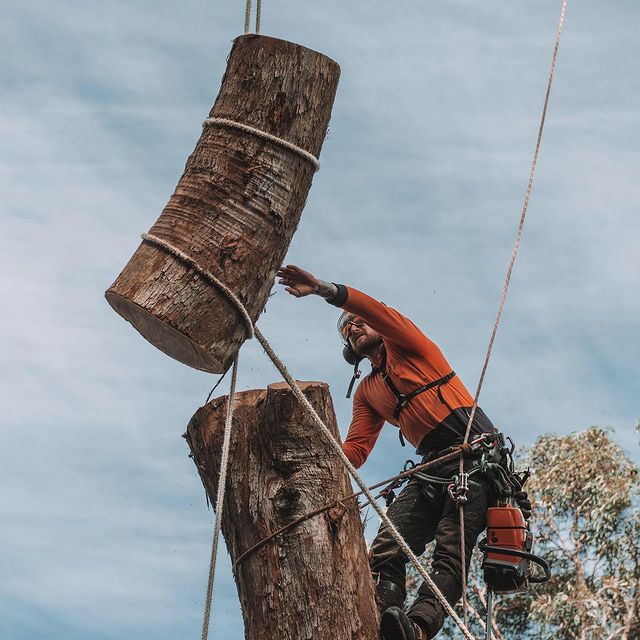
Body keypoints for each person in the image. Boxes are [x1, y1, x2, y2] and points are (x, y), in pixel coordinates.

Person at [277, 264, 509, 640]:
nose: (353, 327)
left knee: (450, 554)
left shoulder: (411, 346)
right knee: (385, 550)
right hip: (432, 467)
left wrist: (323, 289)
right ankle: (387, 623)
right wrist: (308, 454)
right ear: (348, 350)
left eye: (357, 321)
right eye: (346, 329)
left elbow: (375, 311)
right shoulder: (368, 392)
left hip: (475, 459)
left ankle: (418, 628)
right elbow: (355, 450)